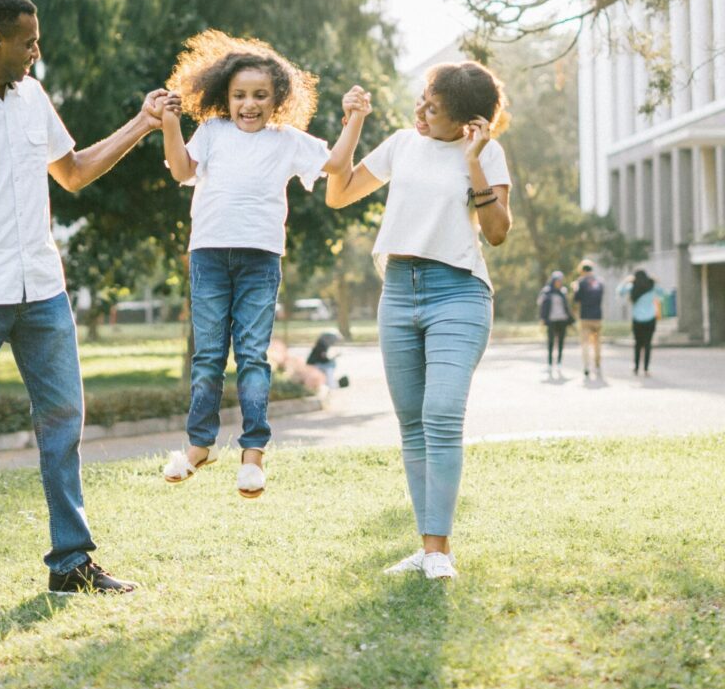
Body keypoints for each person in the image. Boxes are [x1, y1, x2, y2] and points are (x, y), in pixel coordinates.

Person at [0, 0, 165, 610]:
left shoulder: (32, 98)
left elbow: (71, 171)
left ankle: (71, 563)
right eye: (29, 41)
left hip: (43, 294)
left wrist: (142, 122)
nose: (36, 52)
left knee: (63, 425)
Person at [158, 29, 371, 498]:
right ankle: (199, 446)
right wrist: (170, 125)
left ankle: (253, 454)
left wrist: (353, 118)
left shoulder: (287, 140)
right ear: (224, 97)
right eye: (239, 96)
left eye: (259, 96)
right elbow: (180, 170)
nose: (248, 104)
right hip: (210, 255)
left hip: (260, 259)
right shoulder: (212, 132)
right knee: (209, 356)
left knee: (253, 355)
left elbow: (336, 164)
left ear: (278, 100)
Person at [325, 60, 512, 581]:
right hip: (399, 291)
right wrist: (354, 123)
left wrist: (473, 160)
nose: (422, 112)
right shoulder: (403, 144)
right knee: (413, 426)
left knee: (442, 412)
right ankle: (429, 548)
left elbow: (497, 232)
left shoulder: (487, 152)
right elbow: (337, 194)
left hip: (459, 292)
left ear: (469, 123)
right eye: (423, 101)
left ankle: (438, 552)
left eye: (435, 109)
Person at [617, 269, 667, 376]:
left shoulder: (632, 287)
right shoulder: (652, 286)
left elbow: (619, 292)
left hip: (637, 319)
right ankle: (646, 369)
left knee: (638, 344)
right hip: (650, 319)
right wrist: (656, 282)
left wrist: (626, 281)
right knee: (648, 344)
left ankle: (636, 367)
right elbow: (663, 294)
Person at [572, 259, 604, 378]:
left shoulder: (580, 282)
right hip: (597, 316)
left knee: (585, 343)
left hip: (585, 316)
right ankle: (597, 364)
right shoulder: (599, 282)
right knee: (597, 343)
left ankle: (586, 366)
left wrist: (575, 288)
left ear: (582, 271)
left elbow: (576, 299)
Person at [537, 270, 574, 374]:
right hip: (551, 320)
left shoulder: (563, 291)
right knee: (551, 342)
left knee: (561, 342)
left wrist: (570, 320)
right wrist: (542, 318)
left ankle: (559, 363)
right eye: (557, 281)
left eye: (560, 281)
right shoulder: (546, 291)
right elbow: (541, 305)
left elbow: (567, 307)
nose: (559, 283)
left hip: (562, 320)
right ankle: (549, 364)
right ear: (553, 281)